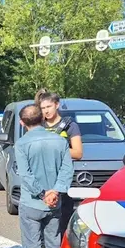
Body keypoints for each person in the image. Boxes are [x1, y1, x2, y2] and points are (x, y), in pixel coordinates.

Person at [12, 104, 74, 248]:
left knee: (32, 245)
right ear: (42, 118)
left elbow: (26, 175)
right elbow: (67, 169)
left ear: (22, 123)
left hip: (32, 203)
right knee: (54, 243)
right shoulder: (60, 141)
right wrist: (55, 191)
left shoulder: (22, 144)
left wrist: (41, 194)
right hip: (55, 203)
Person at [36, 92, 83, 237]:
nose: (46, 110)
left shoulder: (70, 125)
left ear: (57, 105)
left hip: (61, 180)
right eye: (43, 108)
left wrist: (55, 149)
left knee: (62, 221)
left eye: (49, 106)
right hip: (41, 178)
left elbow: (78, 153)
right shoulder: (38, 126)